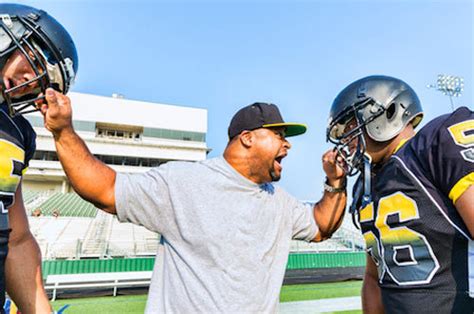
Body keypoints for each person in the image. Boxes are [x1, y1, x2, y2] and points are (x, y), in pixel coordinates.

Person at [41, 95, 347, 312]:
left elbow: (322, 226)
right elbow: (105, 189)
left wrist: (335, 183)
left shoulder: (279, 201)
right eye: (278, 135)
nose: (287, 144)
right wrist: (63, 131)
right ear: (247, 138)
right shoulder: (182, 182)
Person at [326, 75, 474, 313]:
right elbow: (374, 276)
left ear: (389, 111)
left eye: (351, 125)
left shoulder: (433, 144)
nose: (347, 139)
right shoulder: (365, 185)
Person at [0, 3, 78, 312]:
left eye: (41, 81)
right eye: (32, 60)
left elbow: (16, 240)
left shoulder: (17, 131)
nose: (32, 80)